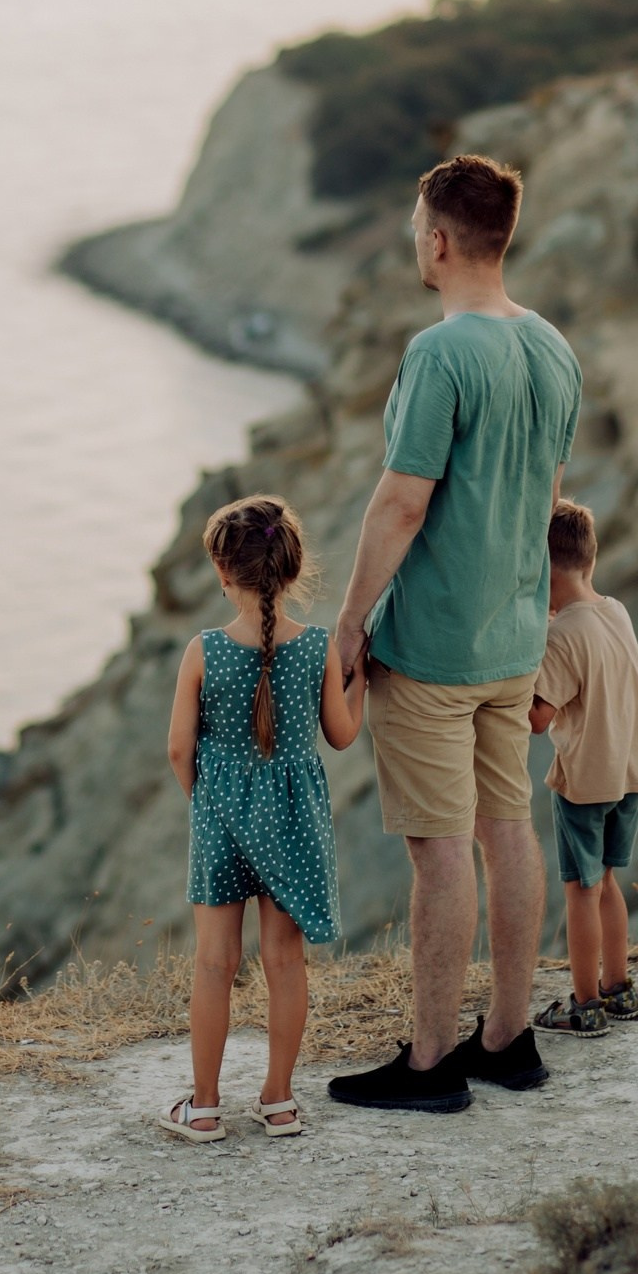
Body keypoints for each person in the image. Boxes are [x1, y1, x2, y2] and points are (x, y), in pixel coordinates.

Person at [326, 154, 581, 1113]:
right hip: (513, 638)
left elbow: (401, 504)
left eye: (414, 226)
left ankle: (431, 1062)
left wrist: (351, 621)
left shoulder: (439, 354)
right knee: (507, 829)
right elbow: (547, 498)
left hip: (433, 646)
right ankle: (509, 1039)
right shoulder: (552, 346)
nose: (413, 240)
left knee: (439, 851)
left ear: (438, 240)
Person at [158, 494, 366, 1142]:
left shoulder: (204, 650)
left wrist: (207, 801)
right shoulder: (318, 648)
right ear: (292, 568)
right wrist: (361, 678)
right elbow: (342, 735)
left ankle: (204, 1106)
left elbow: (178, 748)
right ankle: (278, 1102)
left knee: (214, 963)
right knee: (284, 959)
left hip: (221, 816)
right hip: (294, 822)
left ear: (223, 573)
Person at [527, 499, 638, 1038]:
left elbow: (539, 719)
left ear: (541, 568)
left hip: (585, 779)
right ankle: (618, 987)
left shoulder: (561, 635)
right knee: (605, 880)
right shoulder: (616, 611)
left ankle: (583, 1005)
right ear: (591, 559)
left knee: (580, 888)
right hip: (630, 770)